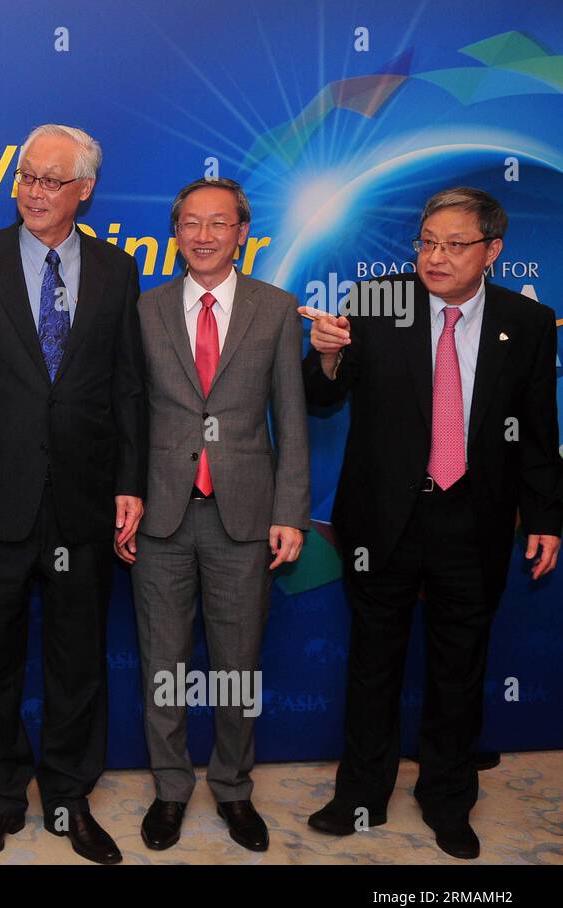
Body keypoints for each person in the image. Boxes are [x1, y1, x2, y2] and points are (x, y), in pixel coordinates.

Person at [302, 186, 561, 859]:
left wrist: (544, 517)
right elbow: (323, 395)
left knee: (458, 668)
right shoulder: (380, 297)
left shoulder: (528, 323)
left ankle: (447, 798)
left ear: (492, 251)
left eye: (454, 244)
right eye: (426, 242)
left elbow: (537, 432)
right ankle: (359, 794)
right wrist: (326, 352)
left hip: (473, 520)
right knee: (372, 665)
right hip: (384, 517)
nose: (435, 256)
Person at [0, 124, 146, 864]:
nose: (33, 191)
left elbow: (128, 388)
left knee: (77, 657)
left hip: (83, 498)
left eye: (52, 180)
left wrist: (129, 486)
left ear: (85, 189)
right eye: (26, 176)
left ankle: (69, 795)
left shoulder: (118, 272)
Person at [132, 178, 309, 853]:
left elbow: (292, 421)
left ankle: (234, 788)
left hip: (246, 518)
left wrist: (290, 510)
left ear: (242, 233)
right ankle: (171, 788)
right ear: (175, 232)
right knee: (162, 664)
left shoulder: (275, 308)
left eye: (219, 223)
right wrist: (125, 501)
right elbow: (128, 415)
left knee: (238, 665)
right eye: (191, 224)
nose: (204, 235)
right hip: (161, 517)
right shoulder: (144, 309)